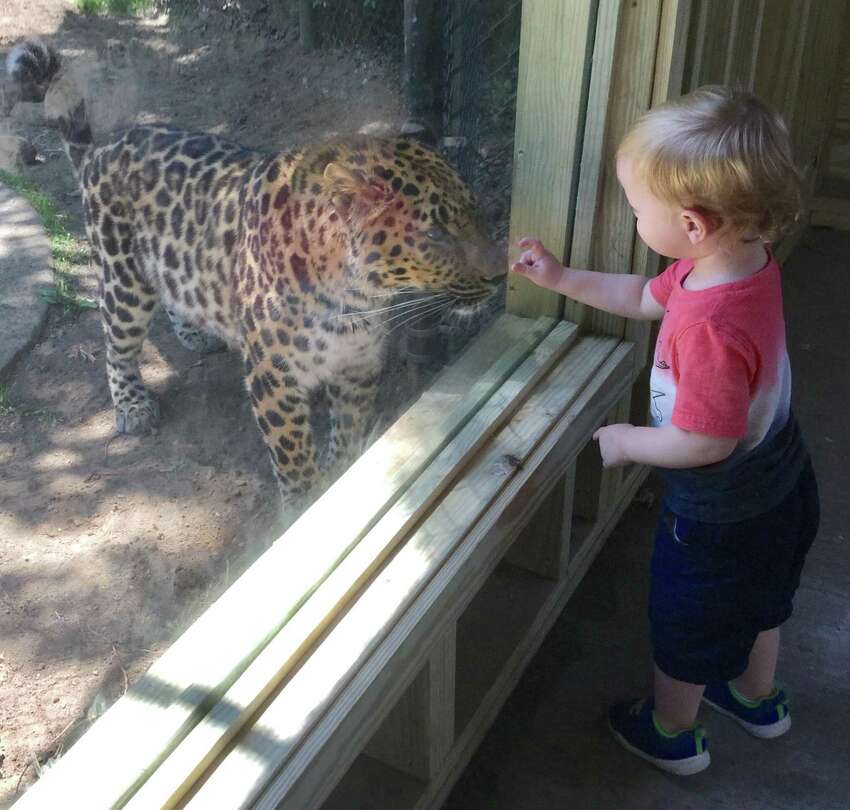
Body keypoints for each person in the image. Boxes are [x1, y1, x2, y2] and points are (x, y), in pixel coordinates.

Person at [511, 85, 820, 776]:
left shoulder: (710, 326)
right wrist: (559, 277)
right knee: (763, 600)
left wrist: (628, 443)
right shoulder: (737, 264)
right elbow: (639, 296)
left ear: (691, 224)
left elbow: (707, 441)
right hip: (783, 479)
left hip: (722, 511)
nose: (630, 214)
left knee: (689, 620)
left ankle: (674, 732)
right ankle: (755, 696)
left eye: (635, 207)